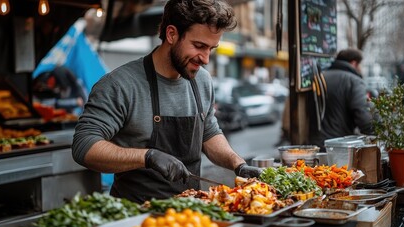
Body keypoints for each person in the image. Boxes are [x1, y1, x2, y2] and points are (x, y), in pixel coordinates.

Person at [72, 0, 262, 204]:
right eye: (199, 46)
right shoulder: (120, 84)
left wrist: (238, 164)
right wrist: (148, 157)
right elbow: (84, 146)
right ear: (171, 34)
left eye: (211, 49)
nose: (205, 59)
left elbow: (209, 133)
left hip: (191, 211)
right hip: (136, 215)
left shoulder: (202, 80)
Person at [308, 48, 374, 150]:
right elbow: (363, 116)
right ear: (354, 63)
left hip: (316, 144)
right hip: (339, 146)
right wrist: (375, 132)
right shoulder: (354, 81)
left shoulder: (320, 78)